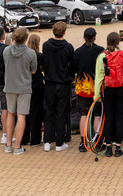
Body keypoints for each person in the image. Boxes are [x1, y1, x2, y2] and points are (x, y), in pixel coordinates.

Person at [94, 32, 123, 157]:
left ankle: (108, 147)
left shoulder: (102, 56)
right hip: (121, 89)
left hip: (108, 90)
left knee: (108, 118)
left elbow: (99, 77)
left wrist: (97, 95)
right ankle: (118, 148)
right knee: (119, 118)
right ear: (118, 42)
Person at [1, 27, 36, 155]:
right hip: (24, 87)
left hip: (10, 86)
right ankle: (17, 147)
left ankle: (8, 145)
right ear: (26, 39)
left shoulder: (6, 50)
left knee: (11, 113)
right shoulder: (31, 53)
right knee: (21, 115)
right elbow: (34, 70)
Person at [42, 21, 75, 152]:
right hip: (63, 83)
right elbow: (72, 66)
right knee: (61, 113)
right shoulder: (68, 47)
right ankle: (60, 142)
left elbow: (44, 63)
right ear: (64, 32)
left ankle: (47, 141)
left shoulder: (46, 45)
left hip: (49, 82)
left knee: (49, 112)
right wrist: (70, 75)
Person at [73, 28, 103, 153]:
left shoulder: (78, 52)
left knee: (84, 115)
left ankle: (83, 141)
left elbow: (74, 69)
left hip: (82, 88)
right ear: (95, 37)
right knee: (97, 115)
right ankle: (97, 141)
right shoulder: (100, 51)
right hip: (96, 89)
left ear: (84, 37)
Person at [21, 33, 45, 147]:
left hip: (26, 84)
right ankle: (35, 139)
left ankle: (24, 138)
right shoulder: (39, 56)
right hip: (37, 85)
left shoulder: (25, 55)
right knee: (37, 112)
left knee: (25, 112)